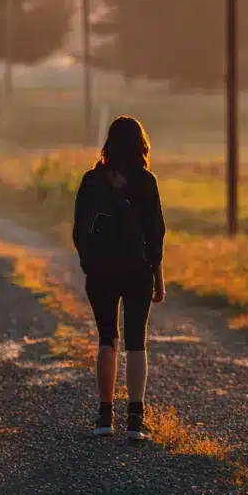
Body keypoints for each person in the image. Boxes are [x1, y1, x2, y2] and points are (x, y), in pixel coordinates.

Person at [73, 116, 166, 441]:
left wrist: (90, 262)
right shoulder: (145, 182)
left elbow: (78, 230)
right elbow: (156, 233)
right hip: (137, 271)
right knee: (136, 340)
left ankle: (104, 416)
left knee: (106, 339)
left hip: (100, 272)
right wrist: (158, 274)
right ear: (141, 145)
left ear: (108, 145)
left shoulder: (91, 181)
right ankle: (135, 419)